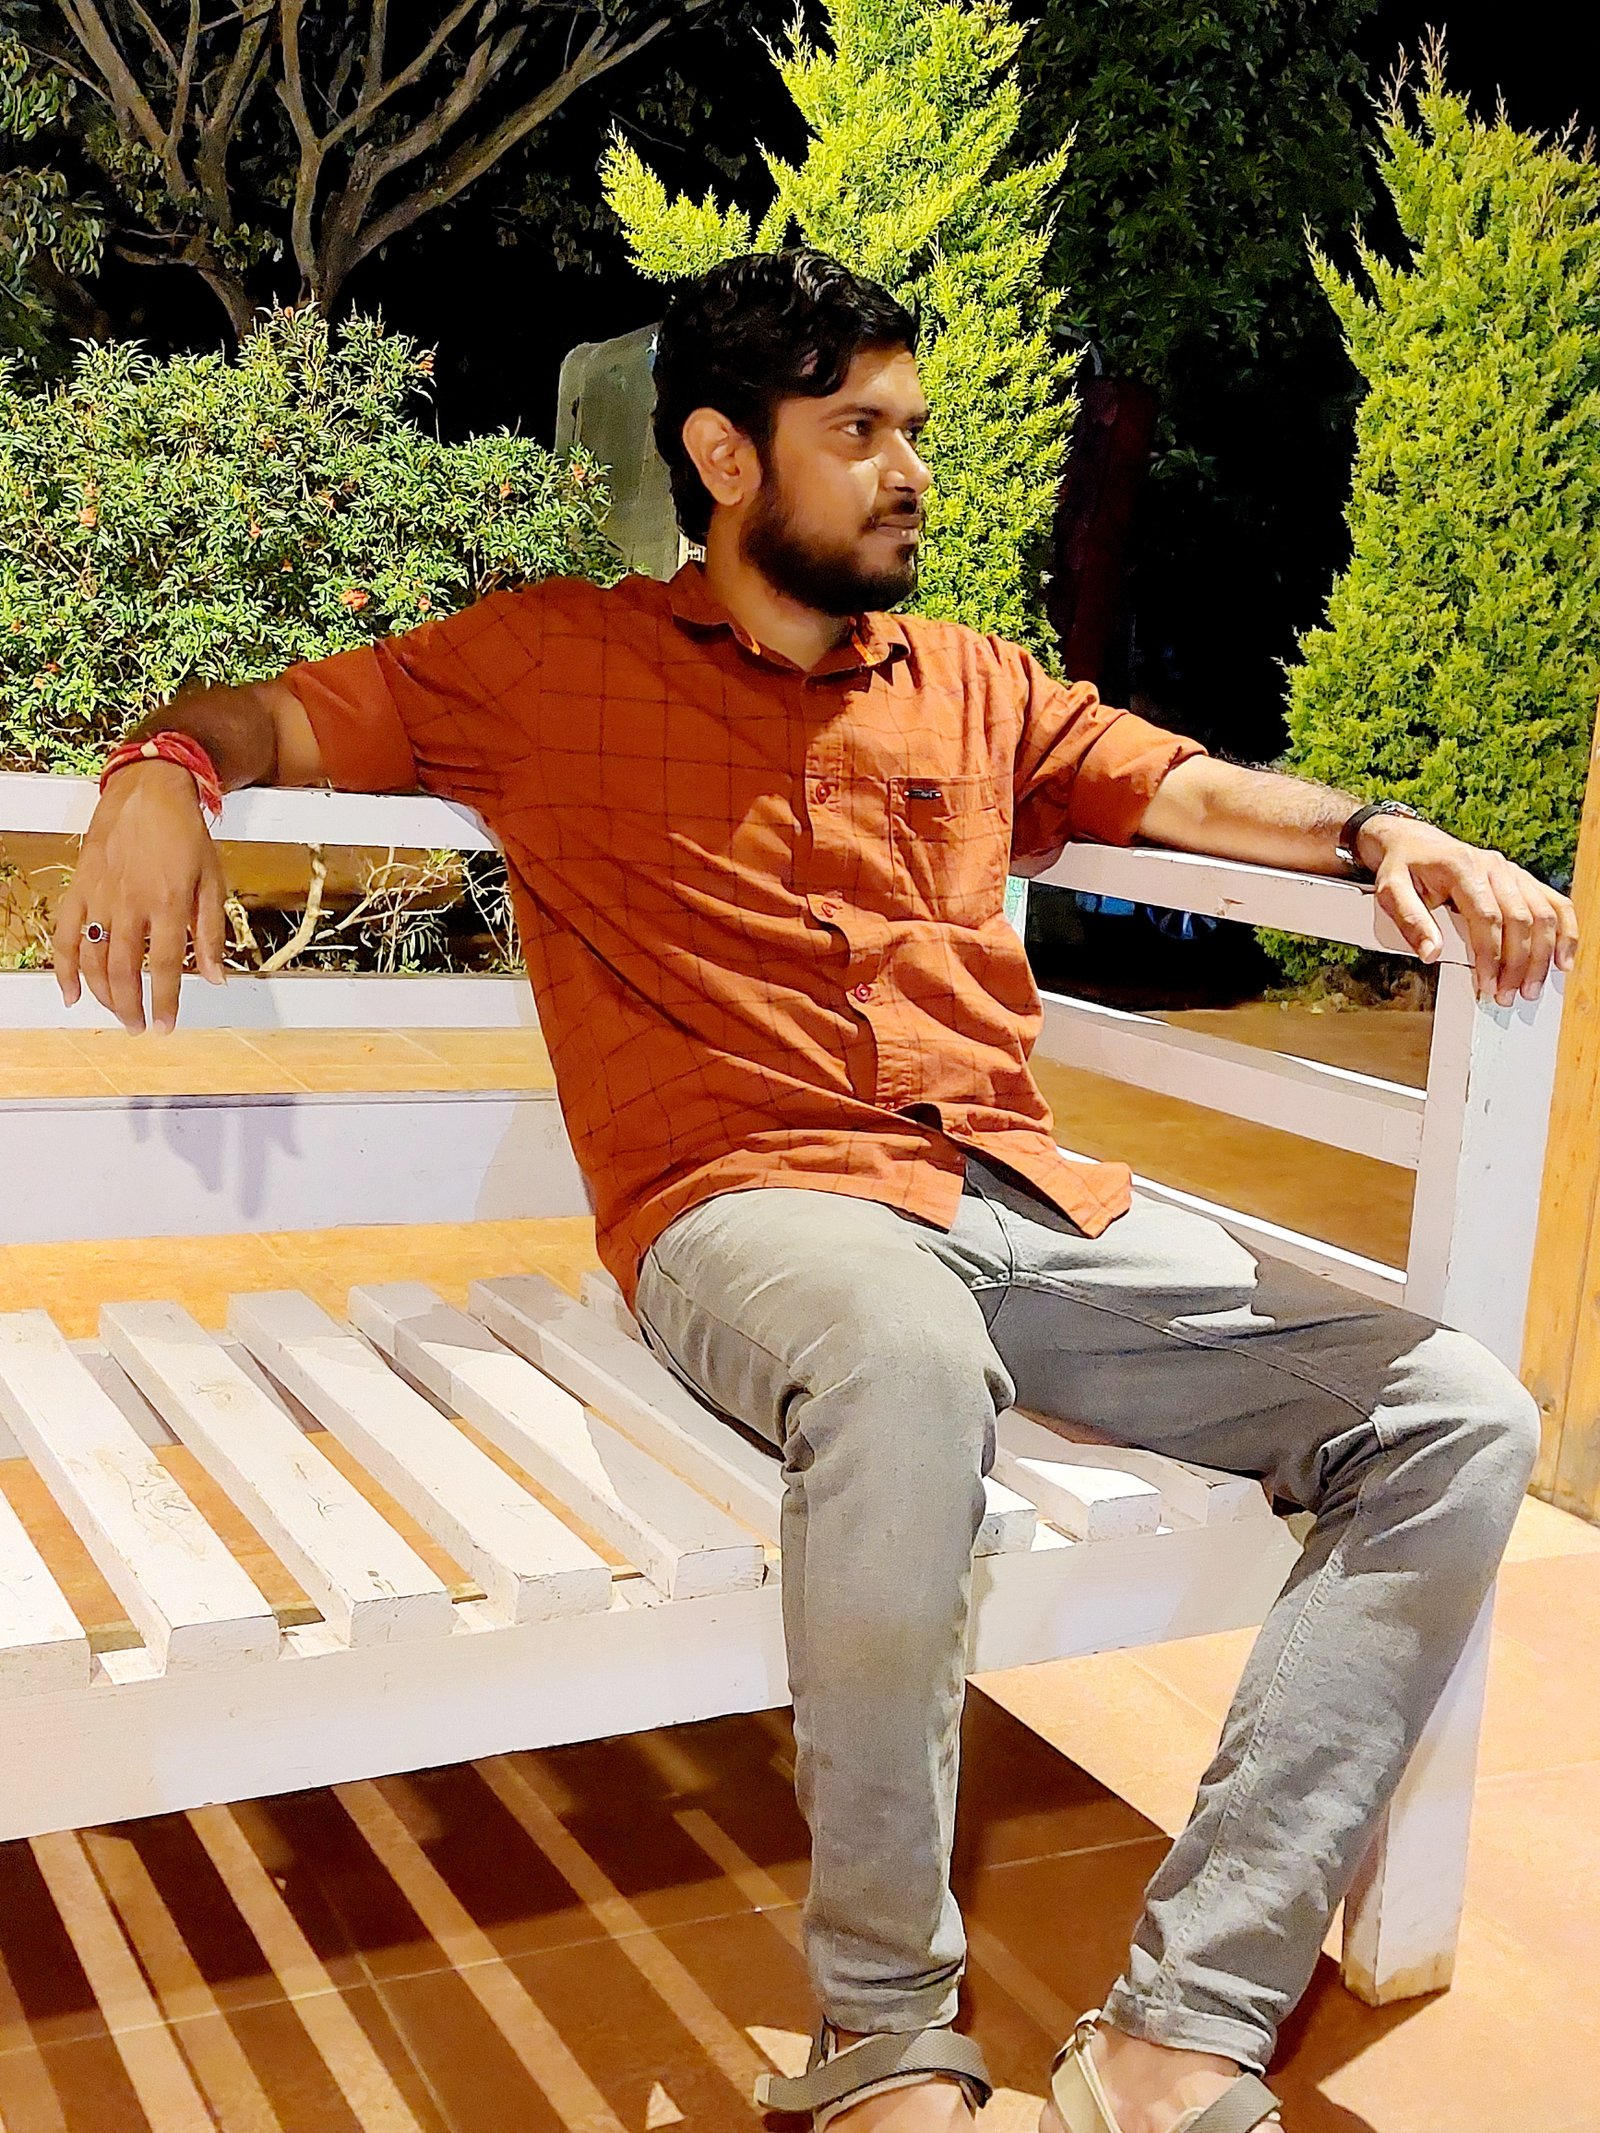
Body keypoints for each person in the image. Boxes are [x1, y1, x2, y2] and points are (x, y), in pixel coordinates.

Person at [56, 250, 1571, 2133]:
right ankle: (884, 2038)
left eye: (911, 428)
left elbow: (1177, 786)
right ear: (723, 455)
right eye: (858, 430)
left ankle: (1181, 2028)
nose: (910, 469)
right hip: (748, 1206)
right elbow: (270, 714)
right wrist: (160, 768)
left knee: (1454, 1410)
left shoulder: (972, 684)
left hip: (1017, 1199)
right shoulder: (547, 665)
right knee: (905, 1357)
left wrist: (1377, 830)